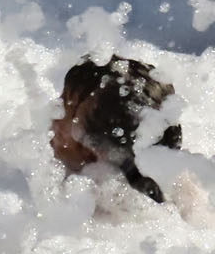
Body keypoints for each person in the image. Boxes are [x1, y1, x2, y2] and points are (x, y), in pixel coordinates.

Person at [52, 56, 181, 203]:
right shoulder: (179, 193)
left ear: (91, 154)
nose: (53, 111)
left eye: (65, 104)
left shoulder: (74, 206)